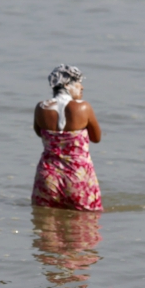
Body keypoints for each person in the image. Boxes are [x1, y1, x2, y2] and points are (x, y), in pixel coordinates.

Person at [31, 65, 103, 211]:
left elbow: (40, 133)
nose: (82, 87)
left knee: (47, 226)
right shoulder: (84, 107)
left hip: (48, 175)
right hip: (78, 176)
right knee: (86, 225)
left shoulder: (40, 108)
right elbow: (96, 138)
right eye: (78, 83)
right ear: (66, 85)